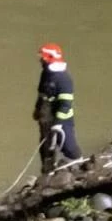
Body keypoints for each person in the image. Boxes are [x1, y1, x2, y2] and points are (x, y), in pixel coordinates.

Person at [35, 43, 81, 171]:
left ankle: (78, 166)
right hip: (46, 116)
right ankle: (47, 171)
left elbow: (65, 104)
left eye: (42, 58)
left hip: (62, 120)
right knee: (46, 147)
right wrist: (38, 108)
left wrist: (58, 123)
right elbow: (42, 92)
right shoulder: (46, 72)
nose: (40, 60)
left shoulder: (63, 79)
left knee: (68, 147)